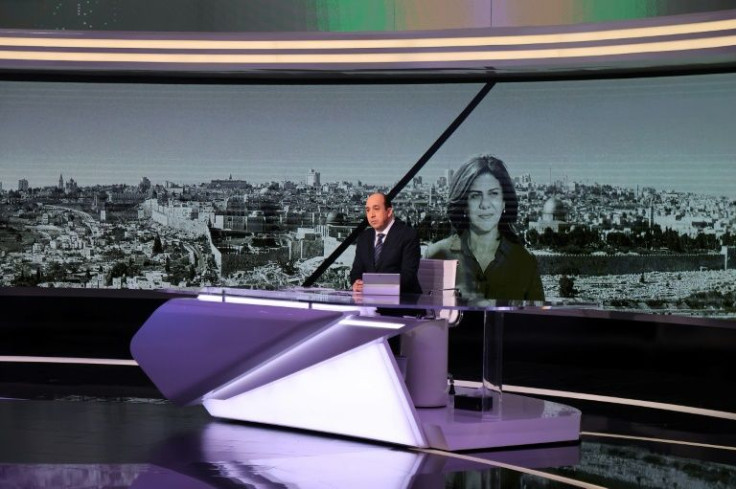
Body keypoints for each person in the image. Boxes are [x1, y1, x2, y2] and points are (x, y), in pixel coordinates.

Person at [425, 155, 544, 301]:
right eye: (475, 196)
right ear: (464, 205)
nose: (485, 204)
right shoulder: (436, 256)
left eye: (493, 194)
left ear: (504, 202)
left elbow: (536, 320)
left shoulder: (525, 261)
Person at [350, 192, 422, 295]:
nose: (371, 215)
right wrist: (356, 282)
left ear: (389, 212)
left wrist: (373, 286)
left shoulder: (408, 235)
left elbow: (408, 277)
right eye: (368, 210)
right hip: (369, 303)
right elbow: (356, 271)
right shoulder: (364, 237)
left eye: (376, 208)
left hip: (402, 303)